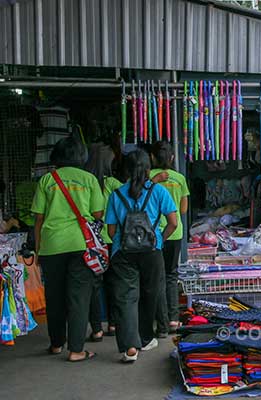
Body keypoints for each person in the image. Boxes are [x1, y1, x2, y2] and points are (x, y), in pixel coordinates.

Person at [31, 137, 103, 362]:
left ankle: (55, 344)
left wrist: (38, 250)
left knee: (54, 296)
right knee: (79, 297)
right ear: (81, 156)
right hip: (81, 245)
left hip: (52, 246)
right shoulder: (89, 179)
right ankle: (76, 349)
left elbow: (39, 219)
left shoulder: (47, 180)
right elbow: (99, 214)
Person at [105, 149, 177, 363]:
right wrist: (159, 239)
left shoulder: (116, 194)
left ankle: (130, 348)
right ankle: (146, 339)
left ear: (126, 169)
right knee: (150, 294)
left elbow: (110, 231)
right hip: (152, 251)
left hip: (123, 252)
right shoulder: (159, 191)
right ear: (148, 169)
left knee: (126, 298)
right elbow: (173, 223)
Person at [150, 141, 190, 335]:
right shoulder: (179, 178)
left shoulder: (148, 178)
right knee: (171, 275)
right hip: (175, 232)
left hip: (152, 233)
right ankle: (174, 319)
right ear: (172, 158)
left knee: (155, 277)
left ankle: (160, 322)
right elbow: (183, 210)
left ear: (152, 158)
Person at [84, 142, 122, 340]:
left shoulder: (86, 183)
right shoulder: (114, 184)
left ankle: (97, 328)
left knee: (94, 286)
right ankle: (114, 325)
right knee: (114, 283)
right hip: (112, 240)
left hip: (91, 243)